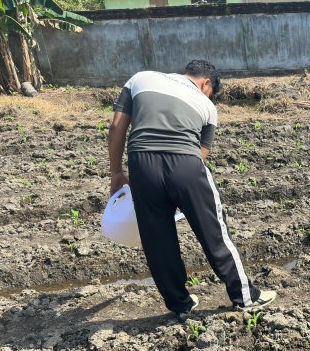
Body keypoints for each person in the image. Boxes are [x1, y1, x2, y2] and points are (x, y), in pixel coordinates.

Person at [108, 60, 276, 321]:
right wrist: (183, 194)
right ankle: (245, 297)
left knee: (156, 238)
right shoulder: (207, 105)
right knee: (214, 232)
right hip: (185, 162)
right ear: (206, 83)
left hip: (141, 163)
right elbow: (201, 155)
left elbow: (117, 126)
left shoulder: (140, 79)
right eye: (210, 91)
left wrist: (116, 172)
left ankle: (180, 304)